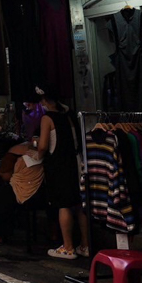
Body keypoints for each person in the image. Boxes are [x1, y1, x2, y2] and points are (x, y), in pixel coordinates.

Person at [35, 86, 90, 259]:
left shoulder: (47, 118)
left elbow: (43, 145)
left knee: (64, 204)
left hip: (59, 164)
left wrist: (36, 153)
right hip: (76, 162)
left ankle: (68, 247)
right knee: (80, 206)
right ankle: (86, 245)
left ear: (44, 101)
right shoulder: (70, 114)